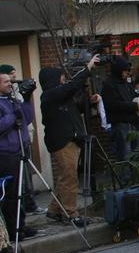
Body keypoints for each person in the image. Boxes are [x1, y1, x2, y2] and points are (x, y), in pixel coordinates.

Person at [38, 55, 100, 226]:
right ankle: (71, 214)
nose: (63, 79)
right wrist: (87, 68)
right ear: (53, 79)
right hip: (62, 141)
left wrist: (89, 101)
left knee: (65, 177)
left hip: (70, 139)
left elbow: (73, 109)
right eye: (60, 77)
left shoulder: (59, 96)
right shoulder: (50, 95)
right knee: (70, 178)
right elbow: (72, 86)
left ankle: (54, 210)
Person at [0, 71, 37, 240]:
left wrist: (27, 98)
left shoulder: (13, 100)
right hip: (6, 154)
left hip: (20, 150)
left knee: (21, 191)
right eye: (6, 81)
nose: (10, 84)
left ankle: (20, 225)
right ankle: (12, 229)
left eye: (10, 81)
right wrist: (11, 115)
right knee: (11, 194)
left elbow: (27, 118)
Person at [101, 57, 139, 165]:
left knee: (137, 155)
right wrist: (134, 106)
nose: (127, 73)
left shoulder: (126, 84)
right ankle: (127, 180)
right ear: (119, 70)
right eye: (125, 71)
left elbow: (133, 97)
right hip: (121, 124)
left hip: (132, 122)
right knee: (125, 156)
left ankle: (138, 179)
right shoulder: (109, 85)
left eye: (128, 71)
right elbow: (113, 104)